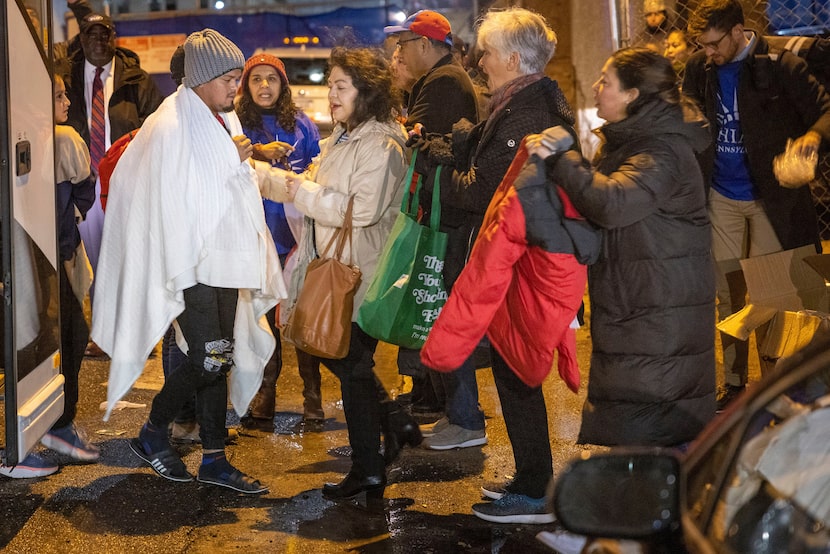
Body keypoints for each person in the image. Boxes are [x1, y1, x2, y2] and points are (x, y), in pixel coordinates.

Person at [91, 29, 287, 494]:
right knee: (208, 358)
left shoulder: (221, 119)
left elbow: (224, 182)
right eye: (229, 79)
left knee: (220, 356)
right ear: (201, 78)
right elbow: (158, 192)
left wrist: (237, 162)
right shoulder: (171, 124)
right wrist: (229, 166)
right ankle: (153, 430)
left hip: (223, 259)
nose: (235, 89)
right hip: (191, 261)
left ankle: (215, 458)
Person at [414, 6, 583, 523]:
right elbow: (479, 157)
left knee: (517, 375)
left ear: (512, 58)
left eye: (487, 53)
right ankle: (529, 479)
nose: (480, 61)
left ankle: (533, 490)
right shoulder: (519, 105)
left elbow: (479, 193)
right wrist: (448, 146)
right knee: (515, 373)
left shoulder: (526, 115)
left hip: (519, 271)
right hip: (518, 267)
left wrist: (431, 173)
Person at [537, 47, 716, 448]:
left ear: (633, 95)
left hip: (659, 312)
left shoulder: (660, 149)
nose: (597, 89)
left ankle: (671, 504)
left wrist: (562, 161)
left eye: (606, 83)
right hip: (640, 303)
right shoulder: (631, 142)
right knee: (643, 424)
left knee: (657, 428)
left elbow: (613, 203)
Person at [683, 0, 830, 409]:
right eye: (702, 44)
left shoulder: (782, 65)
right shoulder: (701, 68)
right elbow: (690, 115)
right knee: (729, 298)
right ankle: (734, 385)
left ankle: (775, 386)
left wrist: (813, 139)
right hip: (721, 195)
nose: (707, 52)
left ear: (737, 31)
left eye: (713, 44)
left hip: (771, 198)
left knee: (773, 297)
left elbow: (825, 112)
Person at [282, 46, 414, 502]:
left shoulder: (381, 143)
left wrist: (301, 193)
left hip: (362, 270)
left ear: (366, 91)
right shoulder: (342, 135)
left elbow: (362, 209)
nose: (331, 95)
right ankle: (391, 431)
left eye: (341, 86)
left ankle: (370, 465)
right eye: (330, 85)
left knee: (350, 362)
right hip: (338, 265)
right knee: (346, 361)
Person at [383, 9, 483, 446]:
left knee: (445, 313)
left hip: (449, 219)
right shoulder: (444, 78)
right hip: (449, 215)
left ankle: (465, 419)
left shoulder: (443, 81)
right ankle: (455, 412)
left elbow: (418, 146)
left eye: (403, 45)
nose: (398, 53)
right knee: (440, 311)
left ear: (425, 45)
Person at [1, 74, 97, 478]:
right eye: (56, 95)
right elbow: (83, 192)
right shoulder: (60, 139)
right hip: (42, 258)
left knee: (65, 335)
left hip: (46, 257)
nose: (66, 102)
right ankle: (18, 448)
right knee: (56, 337)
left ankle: (52, 425)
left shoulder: (42, 137)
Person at [60, 6, 163, 357]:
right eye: (92, 34)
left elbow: (156, 127)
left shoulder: (137, 80)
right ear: (81, 40)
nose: (100, 41)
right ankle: (103, 335)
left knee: (129, 260)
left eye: (106, 34)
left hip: (124, 185)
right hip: (84, 185)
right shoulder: (67, 78)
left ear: (115, 39)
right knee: (93, 262)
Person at [233, 52, 325, 431]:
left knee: (301, 319)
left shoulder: (302, 124)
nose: (265, 86)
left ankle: (312, 397)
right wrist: (257, 153)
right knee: (261, 319)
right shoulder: (237, 124)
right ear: (246, 86)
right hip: (255, 237)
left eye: (272, 79)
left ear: (283, 85)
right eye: (256, 79)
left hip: (295, 238)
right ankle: (265, 393)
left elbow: (319, 172)